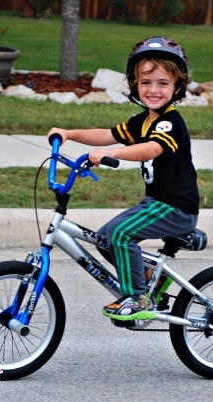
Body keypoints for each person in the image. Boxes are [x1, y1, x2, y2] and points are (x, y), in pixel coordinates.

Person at [47, 36, 199, 321]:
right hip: (155, 203)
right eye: (146, 83)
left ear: (177, 87)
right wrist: (68, 134)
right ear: (134, 85)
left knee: (119, 234)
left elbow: (152, 148)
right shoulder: (142, 120)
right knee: (105, 238)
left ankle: (138, 297)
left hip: (176, 208)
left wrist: (110, 153)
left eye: (163, 83)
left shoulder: (170, 123)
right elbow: (106, 133)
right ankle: (148, 276)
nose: (153, 90)